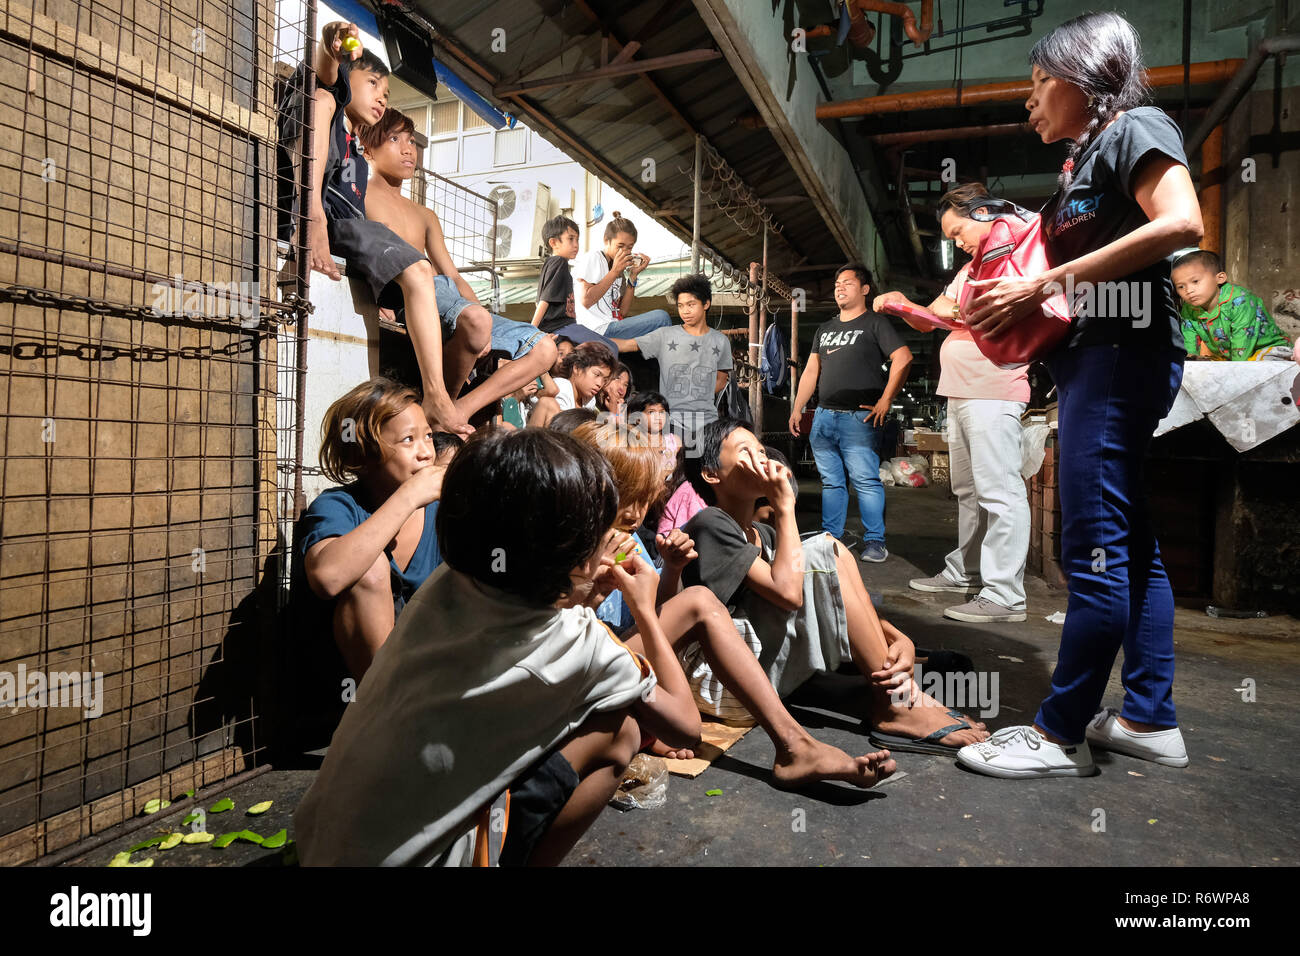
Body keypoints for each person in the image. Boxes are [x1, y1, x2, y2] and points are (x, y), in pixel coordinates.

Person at [955, 11, 1203, 778]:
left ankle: (1059, 733)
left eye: (1038, 83)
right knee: (1129, 543)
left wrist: (1045, 282)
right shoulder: (1080, 165)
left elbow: (1183, 220)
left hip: (1123, 355)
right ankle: (1146, 717)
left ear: (1084, 78)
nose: (1029, 100)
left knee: (1089, 544)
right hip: (1096, 358)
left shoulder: (1137, 127)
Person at [293, 429, 701, 866]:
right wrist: (645, 610)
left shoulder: (447, 583)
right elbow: (686, 729)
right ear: (582, 553)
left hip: (318, 844)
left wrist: (578, 591)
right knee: (622, 731)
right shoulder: (585, 646)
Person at [573, 421, 897, 787]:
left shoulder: (633, 544)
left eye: (641, 497)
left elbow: (657, 620)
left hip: (639, 665)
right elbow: (600, 635)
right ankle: (797, 744)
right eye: (623, 496)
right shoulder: (703, 523)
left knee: (828, 554)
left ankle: (898, 702)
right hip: (608, 673)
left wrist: (895, 637)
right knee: (708, 599)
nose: (635, 511)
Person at [683, 420, 990, 756]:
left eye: (761, 450)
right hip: (724, 685)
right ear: (713, 474)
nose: (762, 459)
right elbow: (788, 593)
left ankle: (902, 693)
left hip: (759, 669)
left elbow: (813, 592)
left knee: (828, 552)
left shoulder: (764, 535)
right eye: (746, 453)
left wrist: (897, 636)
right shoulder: (710, 523)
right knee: (823, 551)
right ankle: (897, 706)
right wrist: (784, 505)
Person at [300, 24, 481, 437]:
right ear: (349, 79)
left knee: (422, 277)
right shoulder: (328, 104)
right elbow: (325, 72)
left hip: (351, 231)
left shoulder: (356, 154)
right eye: (373, 84)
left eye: (387, 90)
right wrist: (332, 42)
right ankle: (436, 397)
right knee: (418, 271)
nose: (382, 96)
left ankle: (434, 395)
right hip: (330, 221)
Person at [874, 182, 1031, 623]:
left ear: (983, 214)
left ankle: (1005, 596)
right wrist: (905, 308)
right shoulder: (968, 272)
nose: (957, 242)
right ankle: (968, 571)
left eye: (958, 231)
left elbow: (972, 313)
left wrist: (930, 310)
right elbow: (934, 318)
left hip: (993, 388)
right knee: (968, 491)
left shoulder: (1014, 254)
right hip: (960, 391)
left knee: (1000, 492)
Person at [360, 108, 558, 426]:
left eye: (411, 140)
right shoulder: (361, 197)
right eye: (394, 139)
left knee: (546, 348)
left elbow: (451, 274)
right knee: (477, 321)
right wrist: (374, 302)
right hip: (409, 295)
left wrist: (486, 325)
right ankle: (442, 409)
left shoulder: (425, 215)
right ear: (367, 148)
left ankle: (455, 411)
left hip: (449, 297)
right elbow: (361, 260)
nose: (408, 148)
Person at [293, 379, 453, 687]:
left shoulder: (443, 514)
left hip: (430, 674)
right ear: (360, 457)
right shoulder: (339, 506)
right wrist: (408, 497)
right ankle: (389, 715)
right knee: (370, 569)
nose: (425, 453)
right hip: (355, 692)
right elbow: (328, 577)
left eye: (429, 437)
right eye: (408, 440)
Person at [788, 263, 912, 562]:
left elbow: (903, 358)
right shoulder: (825, 328)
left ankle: (875, 542)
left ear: (865, 289)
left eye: (847, 283)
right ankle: (831, 538)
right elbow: (811, 370)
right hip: (824, 417)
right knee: (831, 482)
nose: (839, 288)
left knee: (865, 480)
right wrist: (797, 407)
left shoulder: (875, 323)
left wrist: (886, 399)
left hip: (859, 418)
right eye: (836, 284)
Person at [612, 274, 733, 447]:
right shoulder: (665, 335)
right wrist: (588, 338)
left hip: (708, 422)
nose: (685, 311)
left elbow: (721, 381)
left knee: (706, 470)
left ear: (706, 304)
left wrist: (696, 394)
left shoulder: (721, 341)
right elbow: (626, 345)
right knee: (673, 469)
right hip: (672, 422)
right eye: (680, 306)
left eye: (691, 305)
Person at [1172, 249, 1294, 361]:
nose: (1189, 290)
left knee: (1253, 367)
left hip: (1270, 350)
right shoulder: (1189, 308)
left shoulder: (1240, 301)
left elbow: (1242, 342)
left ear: (1220, 278)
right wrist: (1191, 360)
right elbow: (1189, 343)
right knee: (1203, 366)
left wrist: (1233, 367)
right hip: (1232, 356)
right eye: (1181, 286)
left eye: (1195, 281)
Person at [574, 213, 671, 341]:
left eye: (629, 247)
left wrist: (633, 276)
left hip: (612, 325)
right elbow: (586, 301)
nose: (624, 251)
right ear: (606, 241)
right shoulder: (594, 258)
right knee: (661, 317)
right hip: (596, 330)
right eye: (620, 246)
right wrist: (614, 271)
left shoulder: (619, 270)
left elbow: (622, 312)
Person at [531, 215, 620, 353]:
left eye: (577, 239)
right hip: (560, 327)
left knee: (612, 347)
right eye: (571, 239)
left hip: (566, 327)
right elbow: (544, 300)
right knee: (609, 349)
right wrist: (531, 333)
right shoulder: (558, 262)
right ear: (553, 242)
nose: (576, 244)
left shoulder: (553, 264)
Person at [528, 342, 615, 428]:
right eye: (596, 374)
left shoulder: (589, 400)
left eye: (604, 380)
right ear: (577, 368)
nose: (600, 384)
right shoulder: (562, 386)